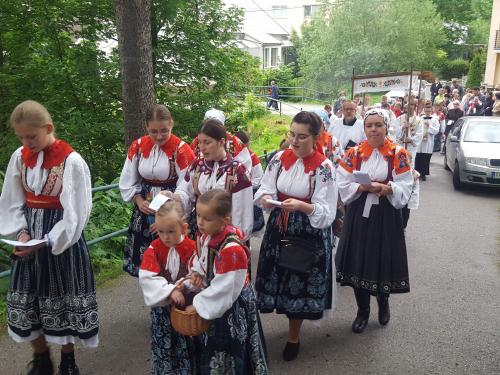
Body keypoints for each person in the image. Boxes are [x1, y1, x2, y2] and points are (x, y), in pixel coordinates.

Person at [0, 100, 99, 374]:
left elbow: (77, 211)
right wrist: (20, 233)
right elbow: (11, 199)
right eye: (21, 136)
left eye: (31, 136)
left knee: (63, 300)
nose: (26, 141)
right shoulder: (20, 157)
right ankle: (42, 358)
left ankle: (69, 360)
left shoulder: (71, 161)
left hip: (61, 241)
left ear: (48, 128)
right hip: (28, 238)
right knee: (27, 301)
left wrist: (50, 240)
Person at [254, 111, 337, 361]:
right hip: (279, 227)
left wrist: (303, 207)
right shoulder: (279, 159)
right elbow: (265, 188)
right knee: (277, 277)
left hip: (307, 232)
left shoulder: (323, 167)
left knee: (298, 283)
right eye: (292, 134)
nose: (295, 141)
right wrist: (267, 199)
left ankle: (293, 336)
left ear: (316, 138)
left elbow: (328, 211)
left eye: (302, 136)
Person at [335, 108, 413, 334]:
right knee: (358, 259)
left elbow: (406, 185)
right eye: (369, 125)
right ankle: (362, 311)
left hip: (386, 214)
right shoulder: (354, 153)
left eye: (378, 125)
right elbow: (342, 182)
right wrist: (361, 186)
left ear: (386, 127)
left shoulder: (398, 153)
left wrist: (388, 188)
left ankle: (383, 300)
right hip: (359, 212)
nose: (373, 129)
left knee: (383, 258)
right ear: (364, 127)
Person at [186, 189, 269, 374]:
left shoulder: (232, 249)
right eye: (198, 215)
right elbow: (201, 259)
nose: (200, 222)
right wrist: (197, 272)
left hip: (230, 306)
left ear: (225, 219)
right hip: (217, 300)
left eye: (207, 218)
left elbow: (225, 288)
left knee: (229, 348)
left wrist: (198, 305)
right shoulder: (209, 235)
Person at [119, 104, 196, 276]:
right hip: (144, 210)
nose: (159, 136)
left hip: (171, 211)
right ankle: (154, 297)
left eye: (164, 130)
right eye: (153, 131)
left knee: (172, 266)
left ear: (171, 125)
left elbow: (187, 185)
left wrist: (167, 215)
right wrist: (139, 201)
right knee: (148, 265)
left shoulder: (181, 150)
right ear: (146, 126)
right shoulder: (138, 147)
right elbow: (128, 180)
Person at [168, 119, 254, 241]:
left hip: (225, 235)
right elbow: (185, 192)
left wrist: (235, 240)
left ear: (221, 142)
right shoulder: (197, 165)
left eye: (207, 143)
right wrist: (172, 196)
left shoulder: (238, 172)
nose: (202, 148)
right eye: (200, 142)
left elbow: (242, 213)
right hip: (198, 230)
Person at [138, 201, 196, 375]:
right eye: (161, 231)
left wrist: (184, 286)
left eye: (171, 231)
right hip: (163, 309)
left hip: (186, 308)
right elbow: (148, 278)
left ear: (183, 228)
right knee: (165, 342)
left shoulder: (192, 248)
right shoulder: (154, 249)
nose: (166, 237)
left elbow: (198, 274)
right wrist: (170, 290)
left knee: (189, 341)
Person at [235, 130, 265, 233]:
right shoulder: (232, 157)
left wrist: (244, 185)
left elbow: (259, 179)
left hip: (248, 195)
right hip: (234, 196)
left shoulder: (252, 157)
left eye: (247, 146)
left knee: (247, 226)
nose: (246, 150)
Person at [394, 101, 423, 167]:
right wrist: (403, 127)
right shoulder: (400, 118)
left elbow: (420, 133)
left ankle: (410, 176)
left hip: (411, 147)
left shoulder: (419, 120)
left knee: (410, 163)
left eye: (412, 105)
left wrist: (411, 139)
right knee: (400, 164)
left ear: (415, 107)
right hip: (401, 145)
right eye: (408, 105)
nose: (410, 107)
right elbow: (395, 131)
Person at [415, 106, 440, 181]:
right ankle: (417, 173)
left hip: (428, 141)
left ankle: (423, 174)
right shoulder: (420, 118)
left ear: (431, 111)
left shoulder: (434, 120)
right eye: (426, 111)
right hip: (420, 141)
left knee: (425, 158)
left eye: (429, 111)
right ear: (424, 111)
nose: (427, 113)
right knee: (418, 157)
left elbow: (436, 131)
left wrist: (429, 126)